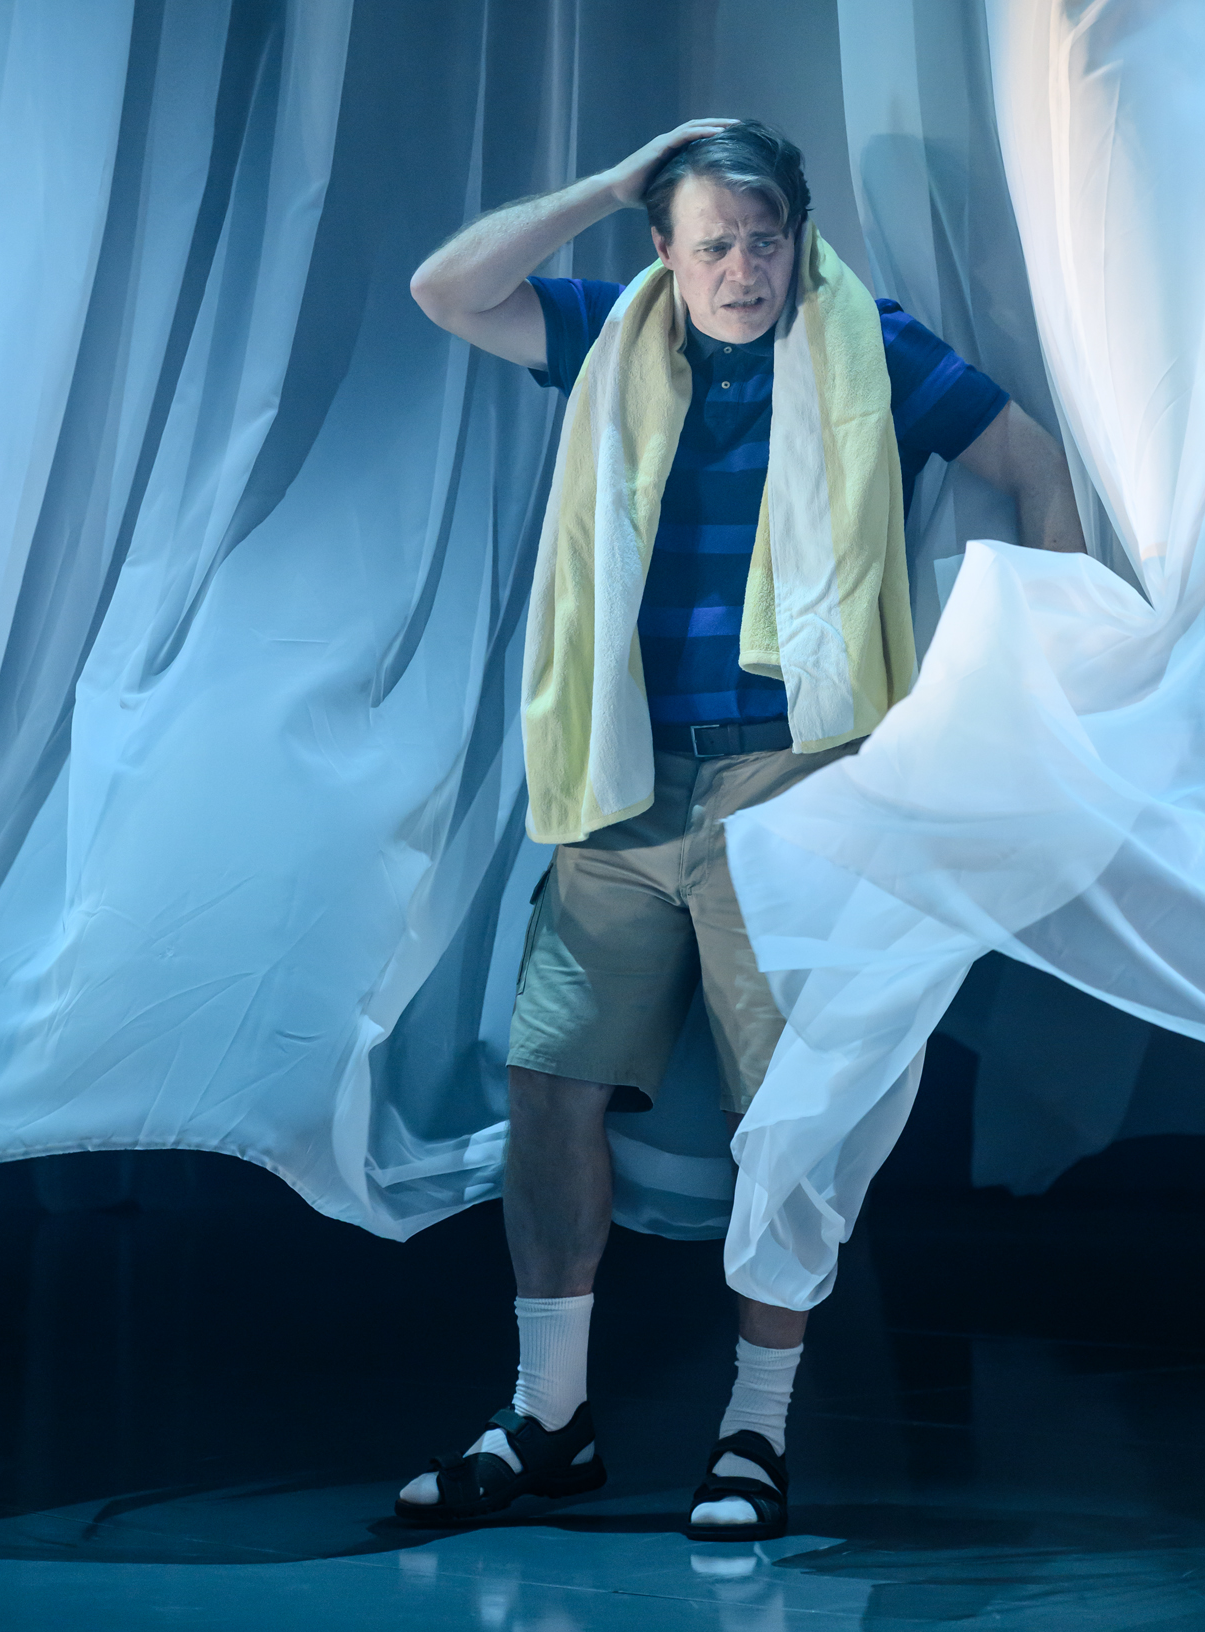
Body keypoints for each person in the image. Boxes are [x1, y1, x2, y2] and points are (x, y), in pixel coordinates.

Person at [398, 118, 1083, 1540]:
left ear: (798, 241)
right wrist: (608, 183)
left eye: (765, 241)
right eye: (712, 243)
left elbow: (1032, 460)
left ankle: (754, 1434)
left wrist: (1049, 666)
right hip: (621, 779)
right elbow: (445, 291)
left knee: (790, 1116)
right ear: (664, 250)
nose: (743, 270)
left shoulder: (869, 345)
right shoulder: (609, 334)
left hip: (793, 779)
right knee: (550, 1086)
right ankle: (548, 1420)